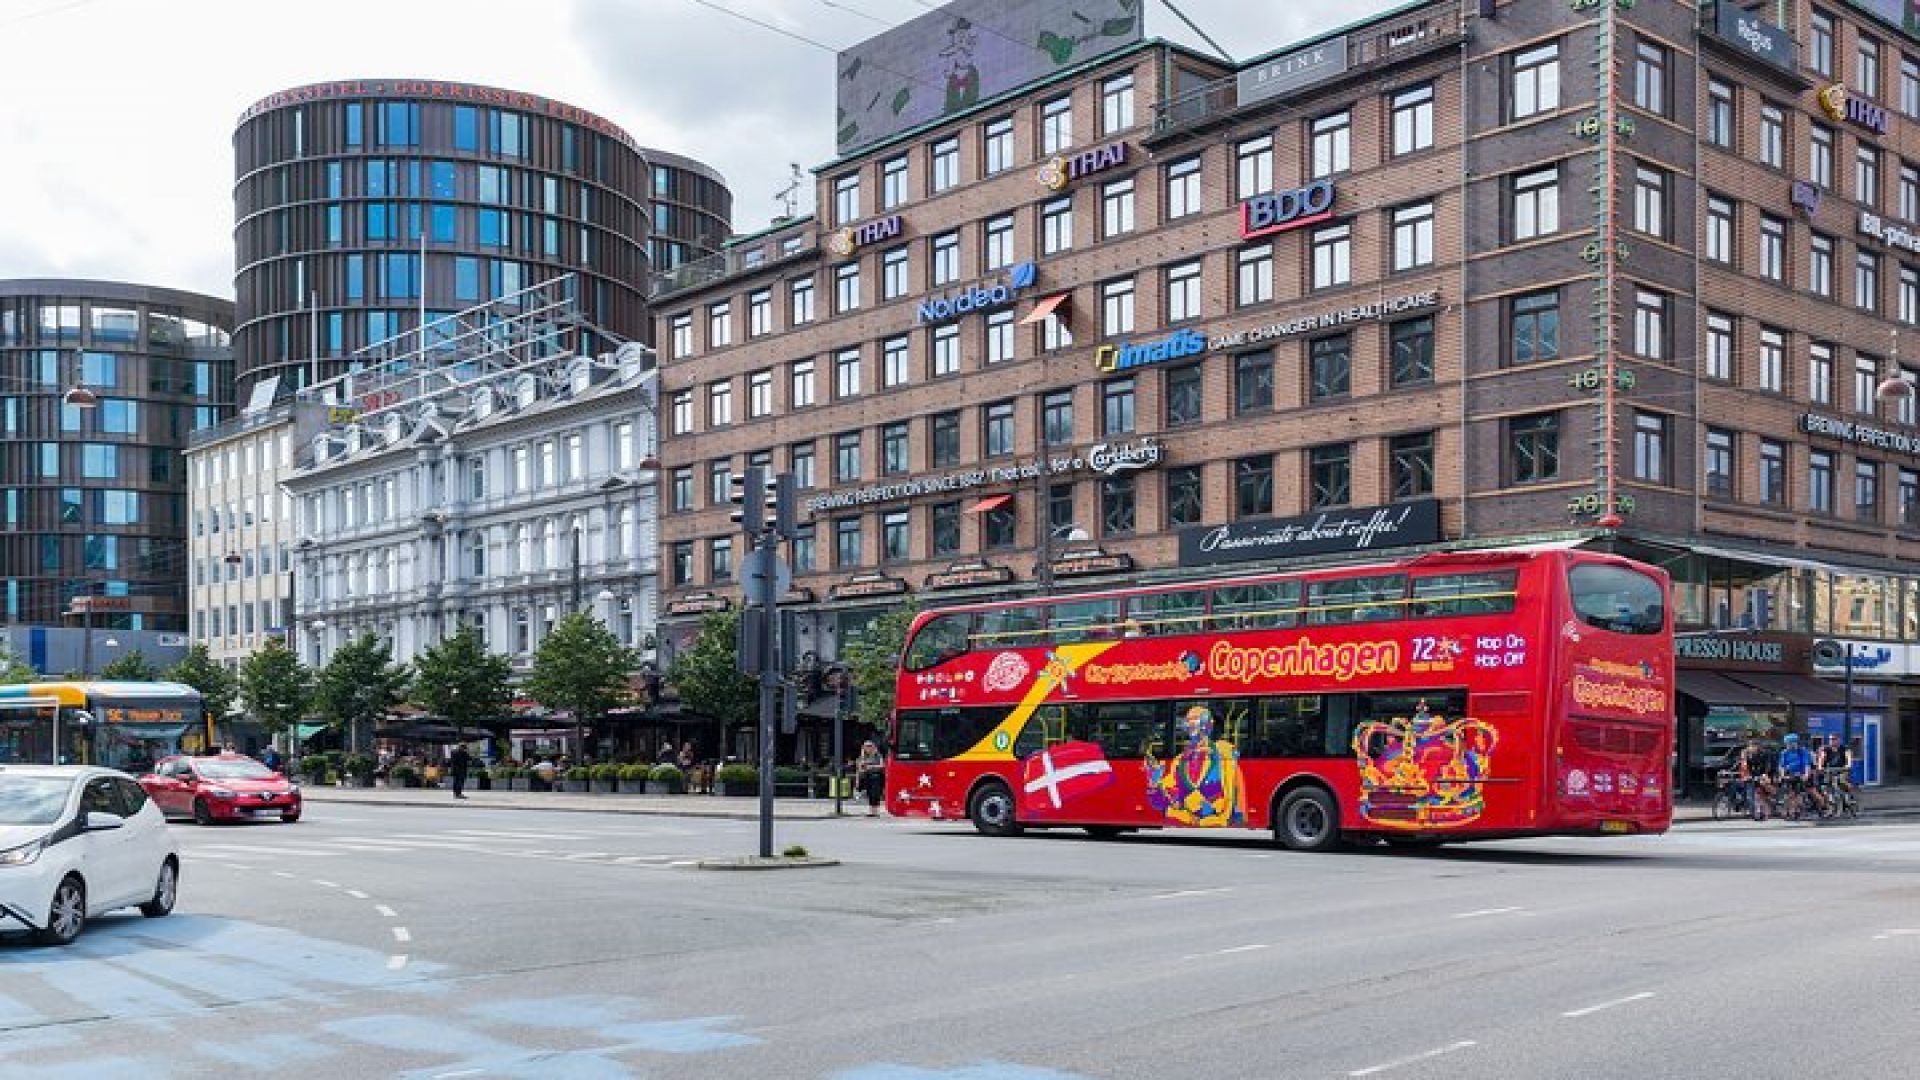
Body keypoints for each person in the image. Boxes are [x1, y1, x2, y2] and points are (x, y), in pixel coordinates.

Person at [1776, 733, 1814, 813]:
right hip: (1791, 775)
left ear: (1794, 743)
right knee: (1791, 793)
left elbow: (1807, 765)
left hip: (1802, 774)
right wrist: (1782, 775)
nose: (1787, 745)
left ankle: (1824, 806)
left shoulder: (1802, 751)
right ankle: (1794, 810)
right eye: (1786, 744)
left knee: (1812, 791)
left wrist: (1806, 775)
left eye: (1788, 743)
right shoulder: (1784, 752)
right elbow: (1781, 766)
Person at [854, 740, 886, 816]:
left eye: (869, 746)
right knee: (870, 794)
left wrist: (871, 766)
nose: (868, 748)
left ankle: (876, 811)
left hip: (876, 777)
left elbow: (882, 766)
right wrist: (857, 779)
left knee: (875, 794)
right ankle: (871, 811)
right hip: (867, 777)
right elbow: (859, 768)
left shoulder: (878, 755)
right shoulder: (862, 756)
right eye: (866, 746)